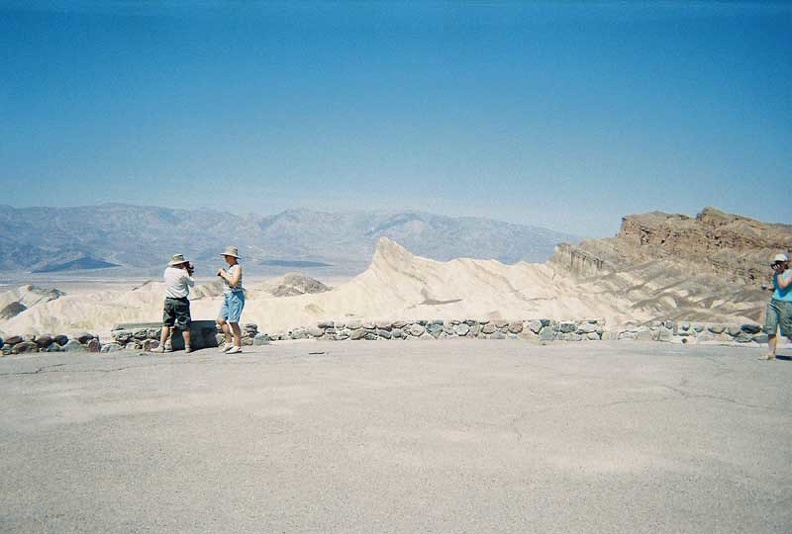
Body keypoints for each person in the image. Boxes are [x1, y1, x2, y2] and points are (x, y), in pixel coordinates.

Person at [154, 253, 195, 354]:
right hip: (181, 301)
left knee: (166, 324)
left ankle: (161, 346)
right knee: (184, 324)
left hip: (169, 300)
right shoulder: (183, 273)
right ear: (181, 263)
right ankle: (187, 346)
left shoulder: (167, 271)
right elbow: (192, 283)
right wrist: (188, 271)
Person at [761, 252, 792, 360]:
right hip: (774, 302)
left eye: (780, 262)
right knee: (771, 327)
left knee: (787, 330)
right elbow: (778, 287)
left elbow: (783, 286)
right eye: (776, 262)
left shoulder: (790, 273)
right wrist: (769, 288)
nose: (778, 265)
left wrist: (778, 273)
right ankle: (771, 353)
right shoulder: (776, 273)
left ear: (785, 263)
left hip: (786, 304)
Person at [216, 246, 245, 354]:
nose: (225, 258)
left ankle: (237, 345)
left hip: (235, 296)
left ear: (232, 257)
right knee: (221, 320)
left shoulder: (237, 267)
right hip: (228, 296)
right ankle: (228, 342)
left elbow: (234, 282)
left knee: (233, 321)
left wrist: (224, 274)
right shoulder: (231, 268)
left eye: (227, 256)